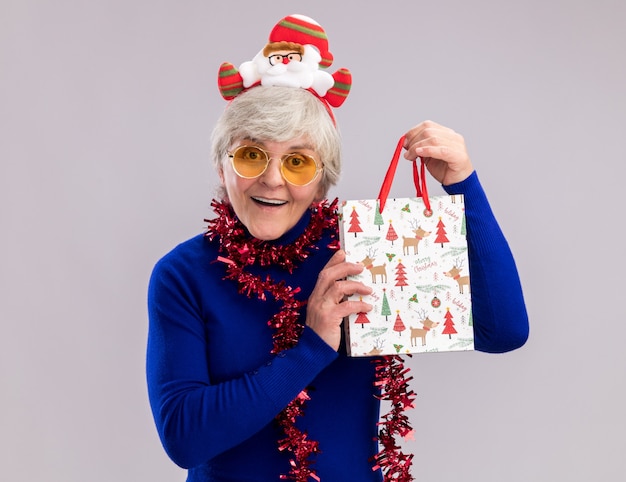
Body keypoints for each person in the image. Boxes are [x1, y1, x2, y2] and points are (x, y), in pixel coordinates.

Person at [146, 14, 529, 482]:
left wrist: (464, 185)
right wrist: (313, 345)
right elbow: (184, 437)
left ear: (323, 177)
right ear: (222, 164)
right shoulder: (184, 275)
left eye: (297, 161)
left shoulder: (360, 252)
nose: (272, 179)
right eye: (251, 155)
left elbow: (505, 331)